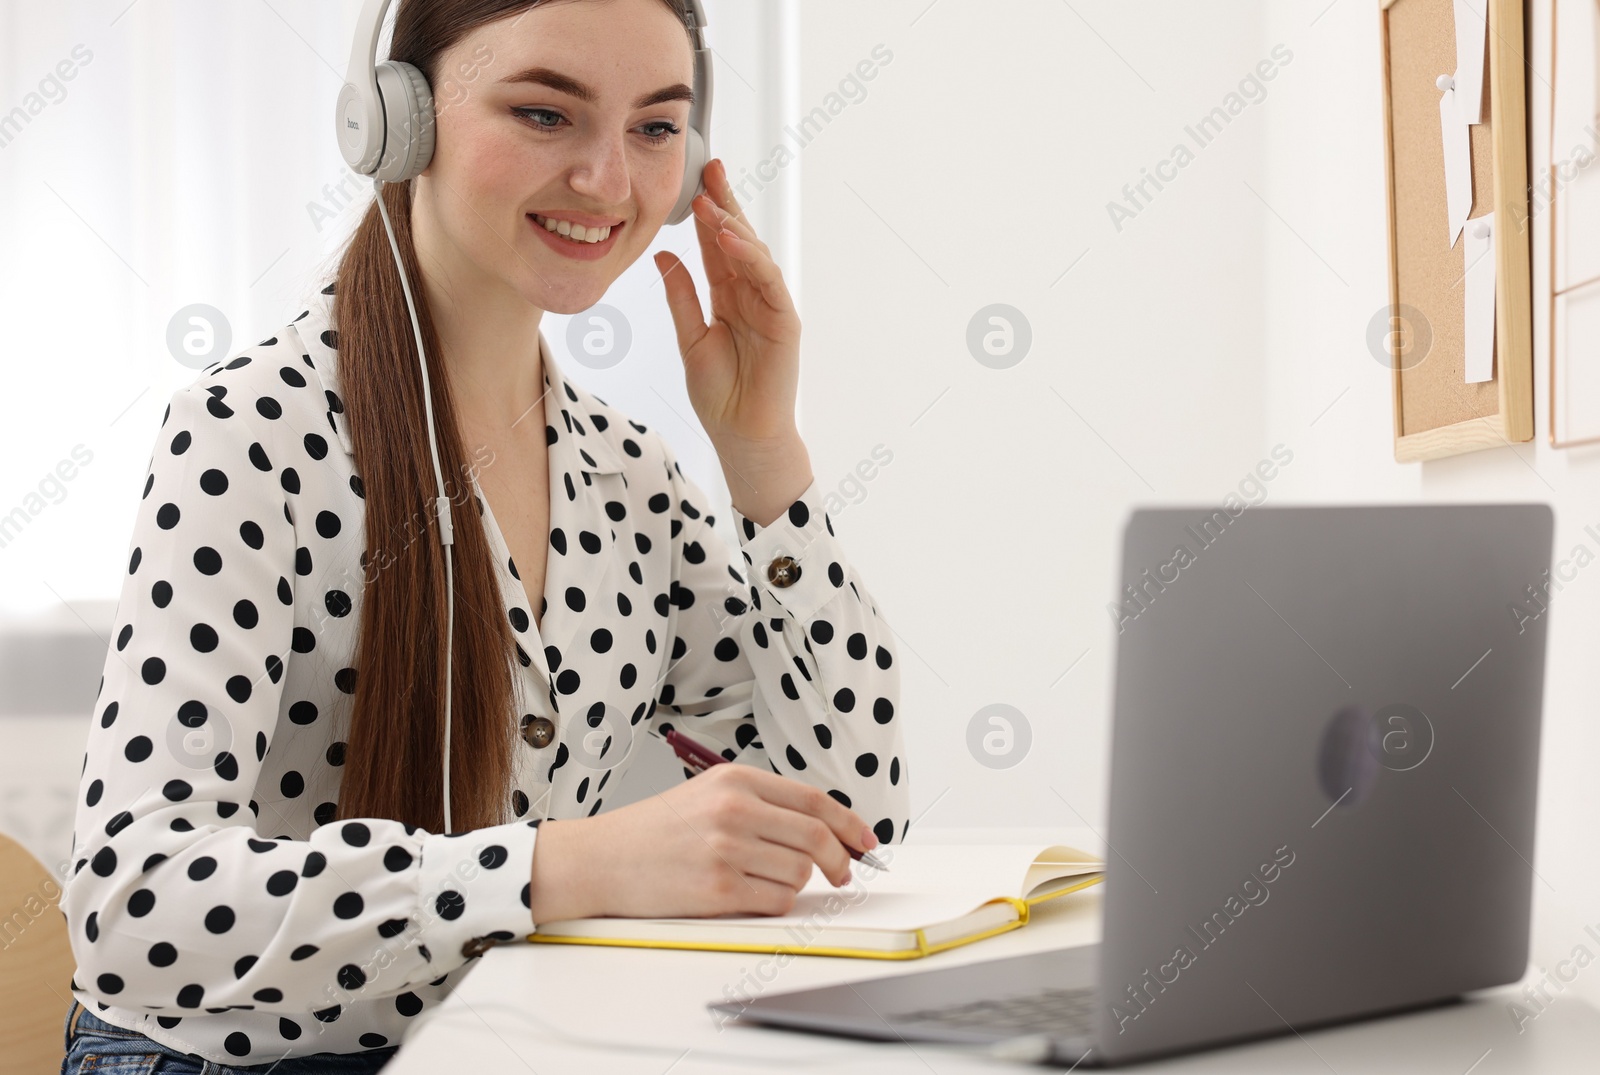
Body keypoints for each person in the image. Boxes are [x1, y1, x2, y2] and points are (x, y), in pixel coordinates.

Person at [58, 0, 909, 1070]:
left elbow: (852, 821)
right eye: (545, 114)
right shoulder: (251, 433)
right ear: (395, 121)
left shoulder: (629, 475)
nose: (607, 181)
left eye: (654, 127)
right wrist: (564, 868)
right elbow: (133, 910)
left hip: (506, 1049)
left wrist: (762, 452)